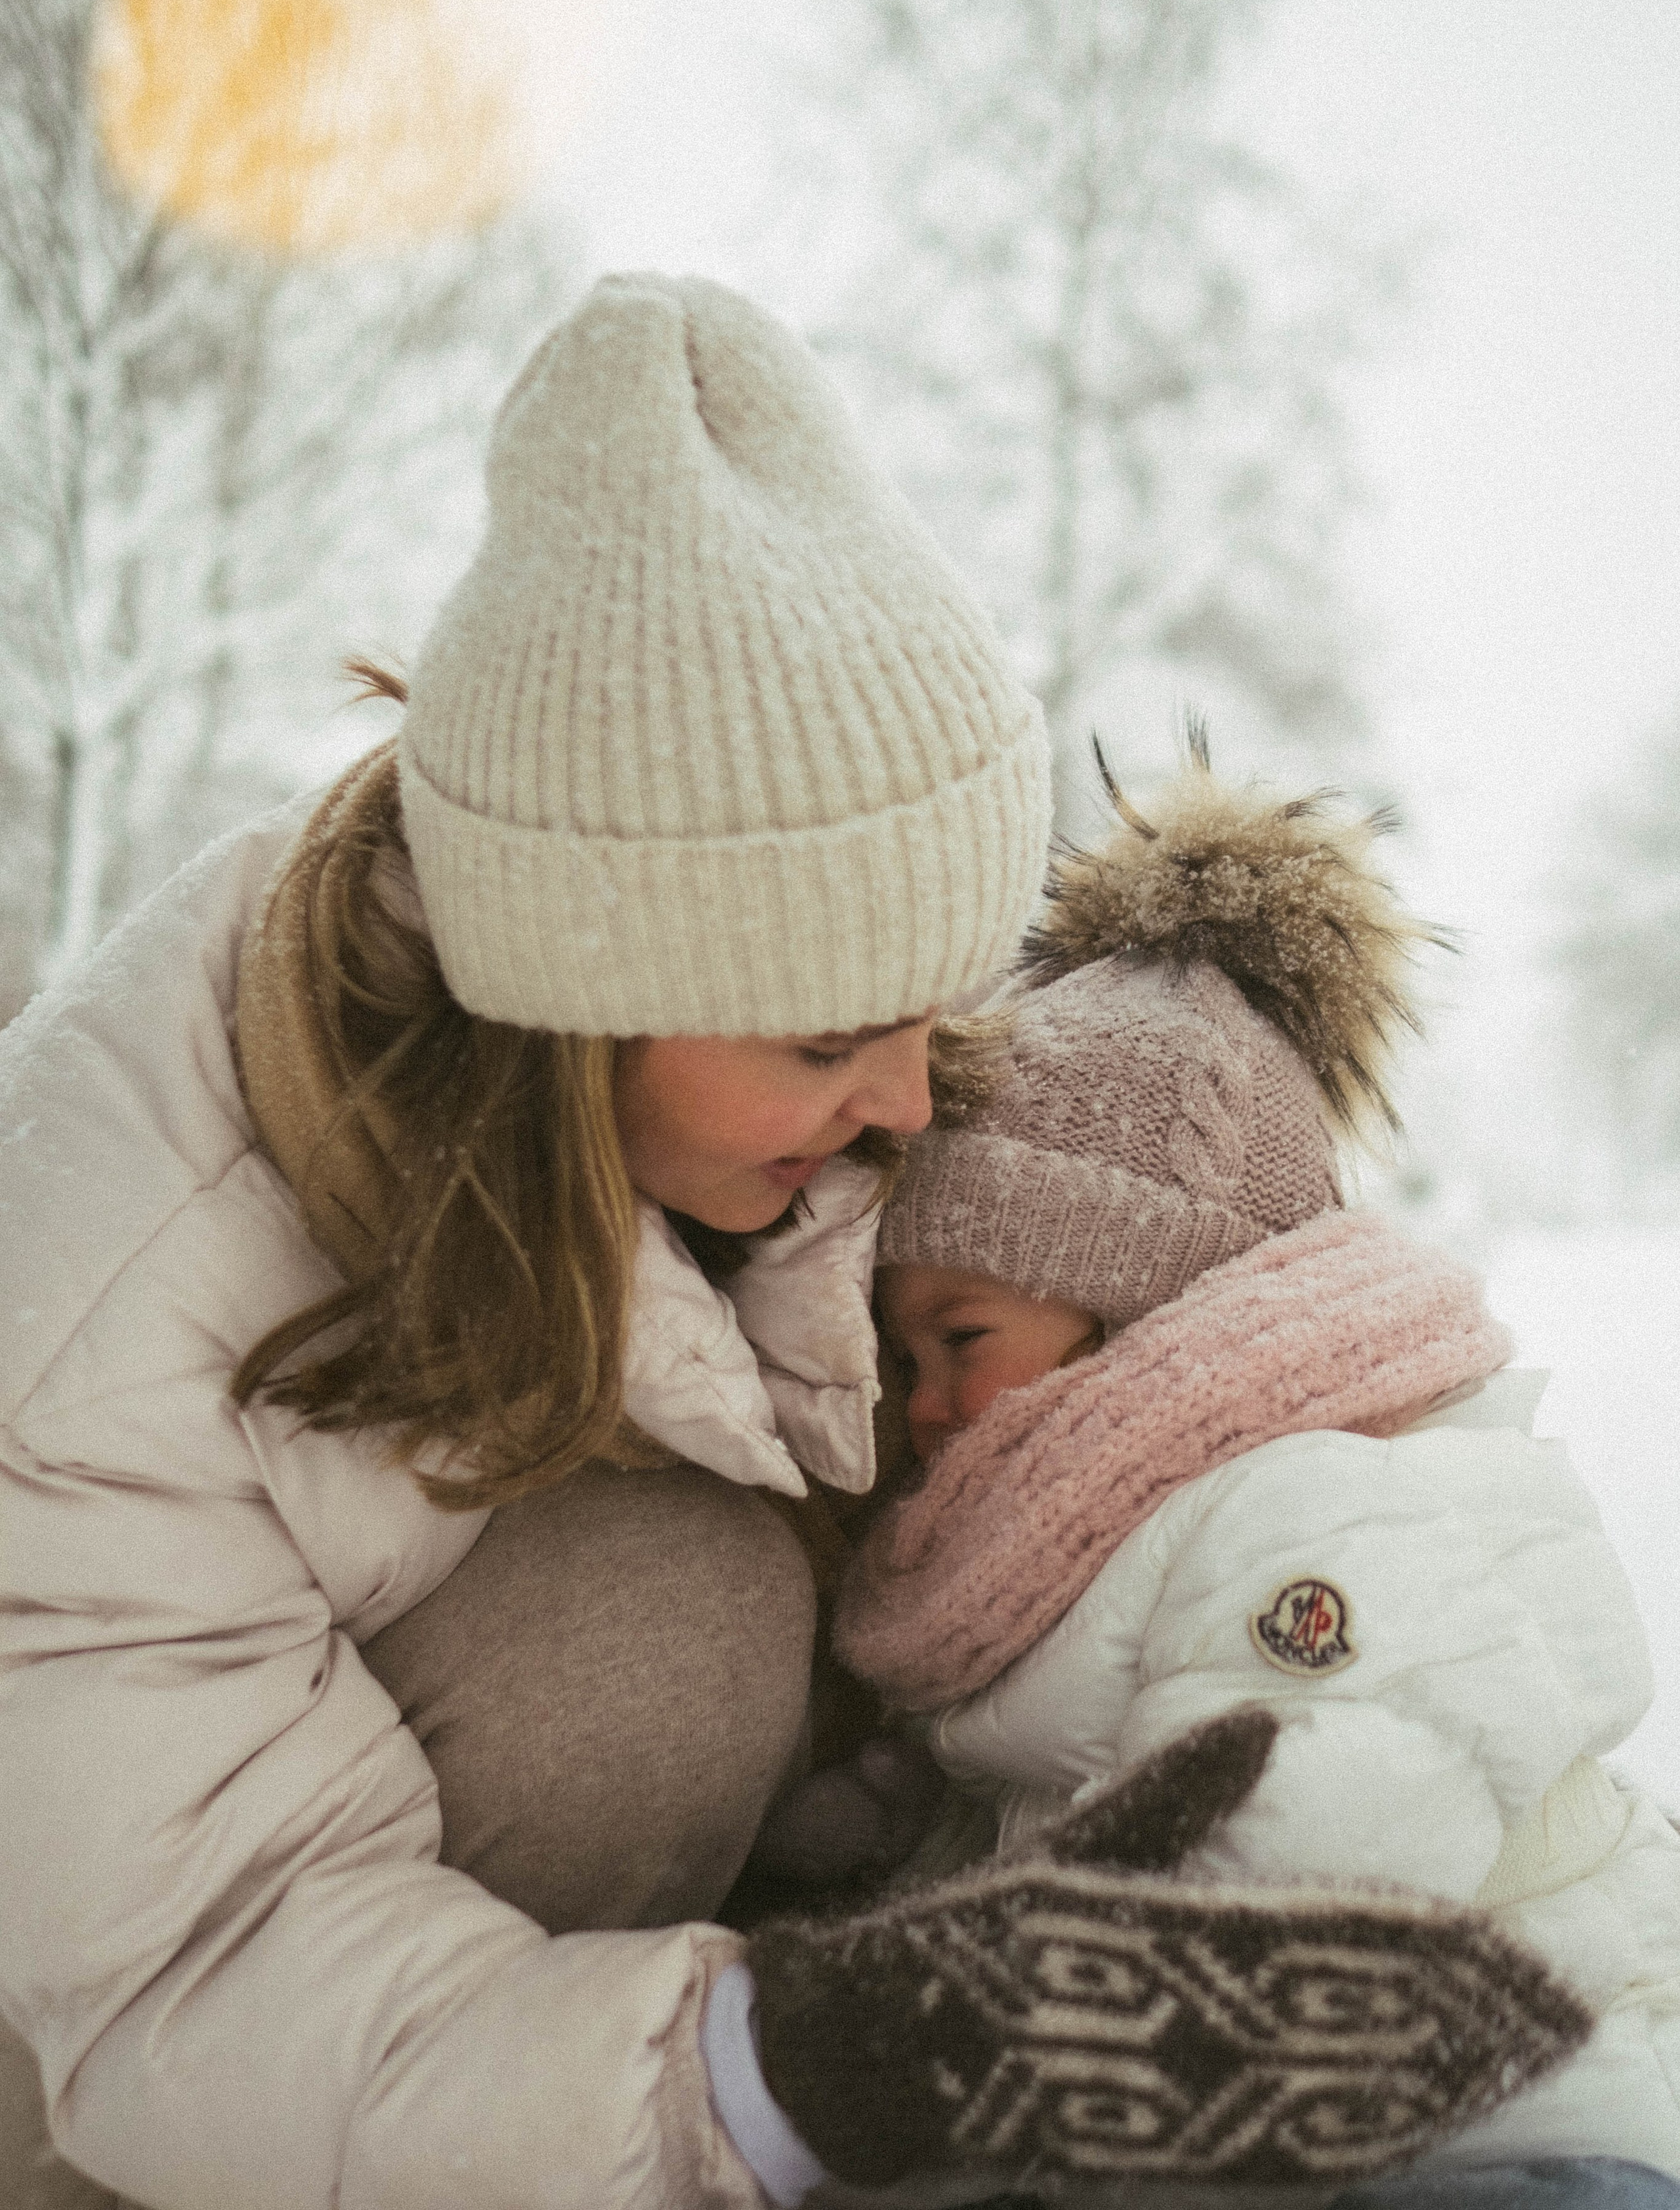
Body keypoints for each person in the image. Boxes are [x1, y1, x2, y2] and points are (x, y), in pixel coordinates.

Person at [0, 276, 1616, 2210]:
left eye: (932, 1022)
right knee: (664, 1637)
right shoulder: (100, 1302)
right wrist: (791, 2071)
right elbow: (198, 1959)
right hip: (114, 2052)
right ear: (586, 1006)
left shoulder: (763, 1112)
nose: (914, 1106)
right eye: (834, 1042)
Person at [818, 744, 1680, 2186]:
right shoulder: (1091, 1541)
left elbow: (1277, 1898)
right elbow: (1032, 1802)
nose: (924, 1405)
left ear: (1147, 1304)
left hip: (1509, 2139)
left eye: (961, 1336)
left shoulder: (1313, 1511)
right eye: (903, 1361)